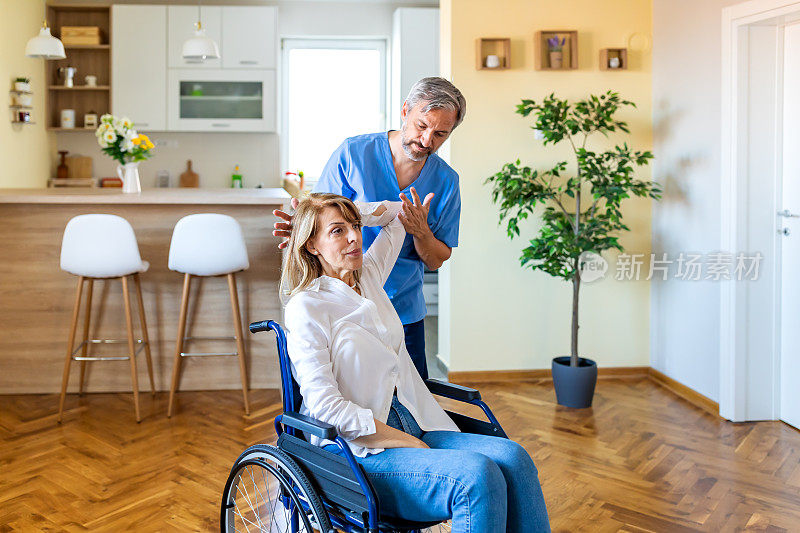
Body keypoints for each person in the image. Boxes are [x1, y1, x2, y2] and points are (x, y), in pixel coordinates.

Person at [280, 193, 550, 532]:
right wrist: (404, 440)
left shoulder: (369, 277)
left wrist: (349, 210)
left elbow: (399, 217)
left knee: (515, 458)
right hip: (357, 448)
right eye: (337, 231)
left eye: (355, 227)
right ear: (311, 245)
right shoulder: (307, 306)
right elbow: (324, 406)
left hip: (414, 420)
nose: (354, 237)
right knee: (475, 478)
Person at [274, 77, 466, 380]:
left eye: (440, 134)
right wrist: (302, 231)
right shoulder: (354, 154)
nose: (427, 140)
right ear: (405, 110)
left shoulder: (446, 181)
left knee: (413, 406)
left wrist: (422, 231)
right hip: (342, 306)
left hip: (402, 310)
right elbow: (321, 222)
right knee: (342, 400)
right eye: (421, 126)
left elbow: (436, 259)